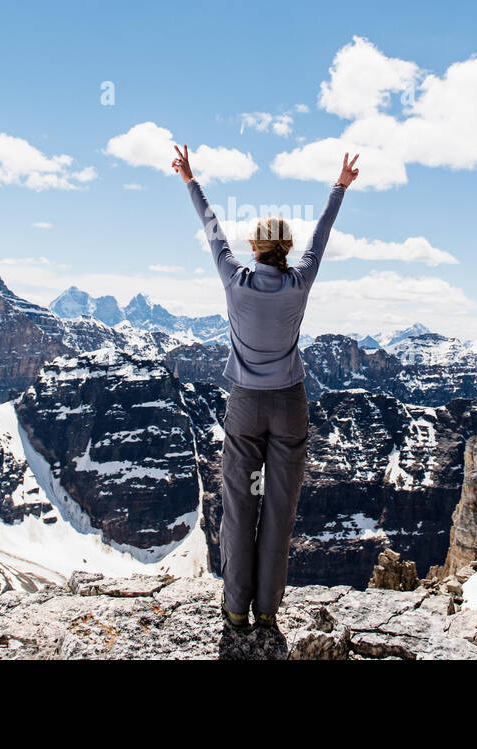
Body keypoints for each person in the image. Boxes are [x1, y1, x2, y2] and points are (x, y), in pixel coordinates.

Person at [171, 144, 360, 633]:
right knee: (279, 508)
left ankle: (235, 607)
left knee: (238, 503)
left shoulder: (235, 281)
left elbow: (211, 229)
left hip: (246, 406)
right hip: (291, 403)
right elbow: (322, 235)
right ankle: (267, 610)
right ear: (287, 248)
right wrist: (338, 187)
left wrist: (191, 179)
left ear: (254, 248)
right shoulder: (300, 282)